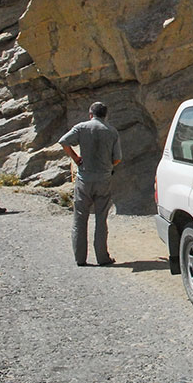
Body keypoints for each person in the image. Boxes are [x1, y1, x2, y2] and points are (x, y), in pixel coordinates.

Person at [58, 102, 122, 267]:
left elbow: (63, 141)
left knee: (80, 218)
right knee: (101, 219)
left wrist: (76, 158)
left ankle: (80, 258)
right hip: (104, 179)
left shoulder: (81, 128)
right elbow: (117, 158)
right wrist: (108, 167)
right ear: (105, 115)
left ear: (90, 114)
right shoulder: (112, 131)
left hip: (84, 179)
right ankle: (102, 257)